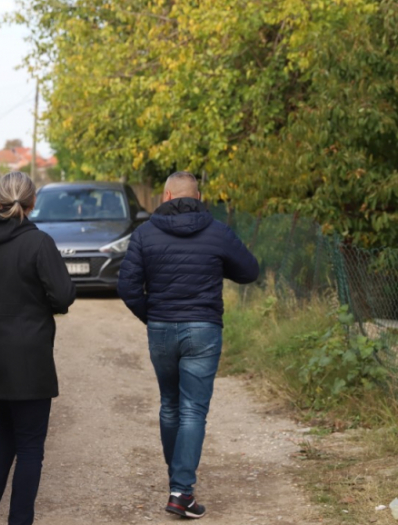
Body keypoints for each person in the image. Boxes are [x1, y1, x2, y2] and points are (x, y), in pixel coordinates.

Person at [117, 171, 259, 519]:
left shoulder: (145, 233)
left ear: (165, 196)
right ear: (197, 197)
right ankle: (181, 491)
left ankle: (177, 482)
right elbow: (249, 271)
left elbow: (127, 286)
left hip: (162, 328)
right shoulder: (217, 232)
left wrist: (151, 316)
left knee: (170, 404)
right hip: (203, 329)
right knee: (193, 410)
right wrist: (215, 262)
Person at [0, 172, 76, 525]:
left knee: (7, 430)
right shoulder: (38, 243)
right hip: (28, 359)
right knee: (29, 444)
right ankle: (19, 519)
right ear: (32, 202)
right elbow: (63, 295)